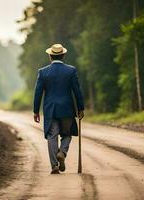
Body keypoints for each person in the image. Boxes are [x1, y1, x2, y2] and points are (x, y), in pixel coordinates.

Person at [33, 44, 85, 174]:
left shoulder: (43, 72)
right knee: (67, 134)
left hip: (50, 110)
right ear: (63, 55)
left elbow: (38, 93)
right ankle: (62, 152)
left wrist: (35, 111)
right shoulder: (71, 70)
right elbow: (77, 91)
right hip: (67, 108)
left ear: (50, 56)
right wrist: (81, 108)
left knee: (52, 136)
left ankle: (54, 166)